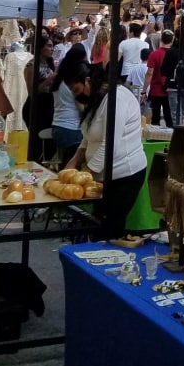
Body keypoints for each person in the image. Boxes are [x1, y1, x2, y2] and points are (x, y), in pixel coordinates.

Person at [62, 62, 147, 240]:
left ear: (87, 81)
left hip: (125, 175)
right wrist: (75, 160)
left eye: (77, 90)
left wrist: (86, 174)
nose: (77, 96)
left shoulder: (116, 98)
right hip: (103, 177)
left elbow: (110, 144)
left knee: (110, 228)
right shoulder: (97, 98)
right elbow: (88, 136)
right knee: (99, 224)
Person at [51, 46, 87, 166]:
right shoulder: (73, 84)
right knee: (72, 167)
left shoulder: (58, 81)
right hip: (72, 129)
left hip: (57, 127)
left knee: (64, 162)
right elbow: (81, 108)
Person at [141, 30, 174, 126]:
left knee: (155, 117)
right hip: (170, 89)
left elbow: (149, 73)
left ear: (161, 39)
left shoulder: (154, 54)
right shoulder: (174, 54)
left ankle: (155, 137)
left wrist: (144, 90)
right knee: (169, 116)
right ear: (171, 41)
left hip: (156, 89)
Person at [117, 23, 148, 91]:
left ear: (132, 32)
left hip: (126, 72)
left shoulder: (123, 43)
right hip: (139, 73)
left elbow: (117, 59)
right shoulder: (146, 45)